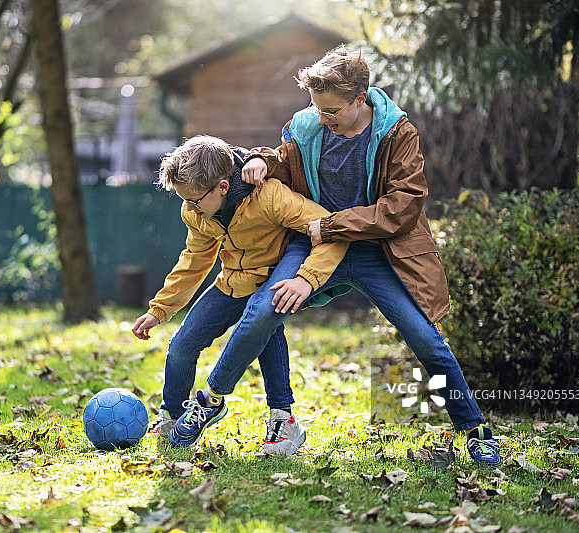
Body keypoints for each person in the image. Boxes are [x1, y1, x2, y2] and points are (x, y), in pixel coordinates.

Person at [234, 46, 500, 466]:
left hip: (380, 253)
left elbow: (402, 206)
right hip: (316, 245)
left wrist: (336, 226)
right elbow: (283, 163)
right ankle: (273, 417)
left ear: (360, 98)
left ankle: (475, 429)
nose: (323, 117)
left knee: (426, 340)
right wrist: (257, 159)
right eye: (317, 107)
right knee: (266, 310)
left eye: (332, 110)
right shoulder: (305, 127)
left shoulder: (397, 133)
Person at [132, 135, 347, 453]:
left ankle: (283, 420)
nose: (189, 208)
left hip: (271, 284)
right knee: (180, 347)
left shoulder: (269, 197)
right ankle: (173, 415)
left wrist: (304, 277)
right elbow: (195, 260)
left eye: (194, 200)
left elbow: (326, 226)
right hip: (231, 283)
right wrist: (159, 309)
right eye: (184, 200)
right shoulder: (196, 212)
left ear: (221, 187)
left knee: (265, 325)